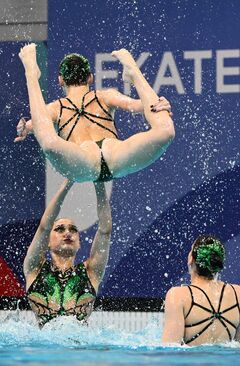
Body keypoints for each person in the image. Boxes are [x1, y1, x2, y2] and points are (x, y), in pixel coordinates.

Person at [17, 43, 175, 183]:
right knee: (165, 131)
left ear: (61, 80)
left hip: (83, 163)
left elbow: (33, 125)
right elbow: (137, 105)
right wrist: (157, 103)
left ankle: (31, 76)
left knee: (49, 143)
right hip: (116, 155)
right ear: (90, 78)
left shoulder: (53, 108)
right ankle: (134, 72)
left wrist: (23, 128)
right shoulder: (105, 95)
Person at [24, 179, 111, 327]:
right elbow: (44, 226)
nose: (67, 233)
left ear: (79, 243)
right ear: (48, 241)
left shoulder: (90, 272)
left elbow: (105, 230)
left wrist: (99, 182)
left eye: (73, 230)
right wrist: (67, 183)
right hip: (43, 348)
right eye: (59, 229)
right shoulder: (35, 269)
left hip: (80, 348)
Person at [162, 235, 240, 345]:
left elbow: (169, 349)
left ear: (190, 259)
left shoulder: (178, 296)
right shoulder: (238, 294)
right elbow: (239, 347)